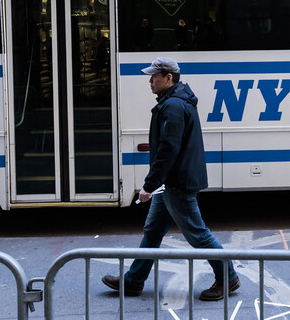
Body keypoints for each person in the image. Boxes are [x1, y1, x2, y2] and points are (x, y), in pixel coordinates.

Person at [102, 57, 240, 301]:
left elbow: (169, 149)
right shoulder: (173, 102)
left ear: (168, 78)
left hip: (176, 183)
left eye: (154, 76)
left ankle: (228, 277)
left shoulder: (174, 106)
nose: (150, 81)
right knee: (153, 232)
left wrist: (149, 185)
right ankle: (133, 281)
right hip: (172, 182)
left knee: (197, 234)